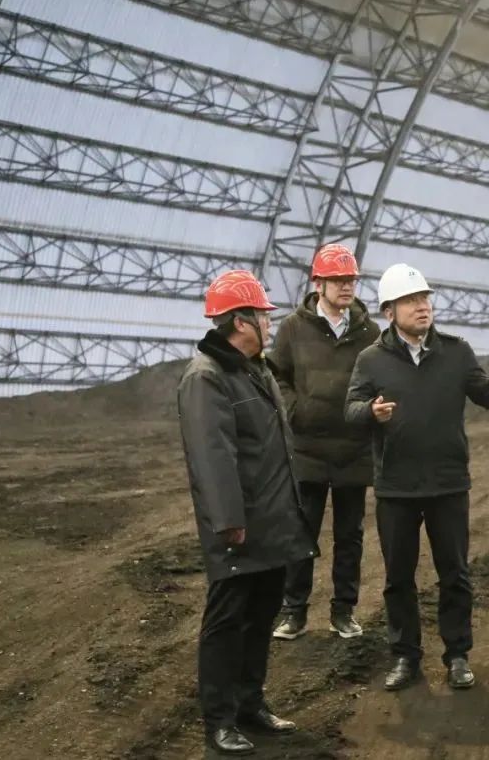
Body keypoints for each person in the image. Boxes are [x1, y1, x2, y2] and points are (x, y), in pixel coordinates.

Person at [344, 263, 489, 692]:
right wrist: (370, 412)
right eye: (411, 301)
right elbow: (351, 409)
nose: (422, 307)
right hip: (396, 487)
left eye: (425, 298)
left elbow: (487, 392)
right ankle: (405, 657)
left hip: (448, 484)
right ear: (389, 312)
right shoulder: (371, 360)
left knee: (455, 574)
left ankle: (458, 655)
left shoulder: (456, 352)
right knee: (398, 578)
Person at [177, 269, 318, 757]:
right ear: (240, 321)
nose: (269, 323)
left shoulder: (254, 369)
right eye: (263, 315)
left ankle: (250, 704)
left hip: (272, 520)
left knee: (260, 618)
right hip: (240, 526)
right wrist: (228, 521)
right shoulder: (207, 377)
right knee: (226, 623)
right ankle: (220, 720)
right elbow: (212, 457)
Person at [267, 244, 381, 641]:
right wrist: (294, 410)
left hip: (353, 450)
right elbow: (276, 375)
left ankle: (343, 612)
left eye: (351, 280)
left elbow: (380, 379)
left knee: (350, 537)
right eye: (338, 280)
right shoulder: (293, 328)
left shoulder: (369, 332)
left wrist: (368, 411)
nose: (347, 287)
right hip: (307, 451)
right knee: (301, 532)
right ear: (319, 284)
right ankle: (294, 613)